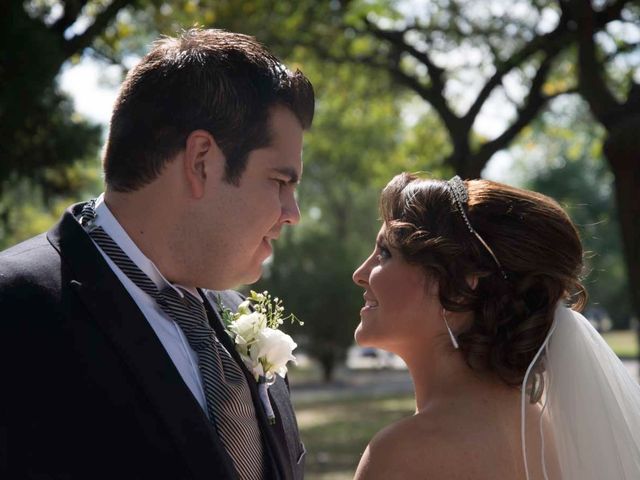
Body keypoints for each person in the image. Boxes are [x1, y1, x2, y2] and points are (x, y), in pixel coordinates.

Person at [0, 28, 313, 480]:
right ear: (201, 161)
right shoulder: (16, 312)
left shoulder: (235, 313)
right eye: (280, 182)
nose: (293, 214)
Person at [352, 173, 640, 479]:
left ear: (460, 285)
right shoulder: (554, 433)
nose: (360, 273)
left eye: (385, 253)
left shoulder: (403, 454)